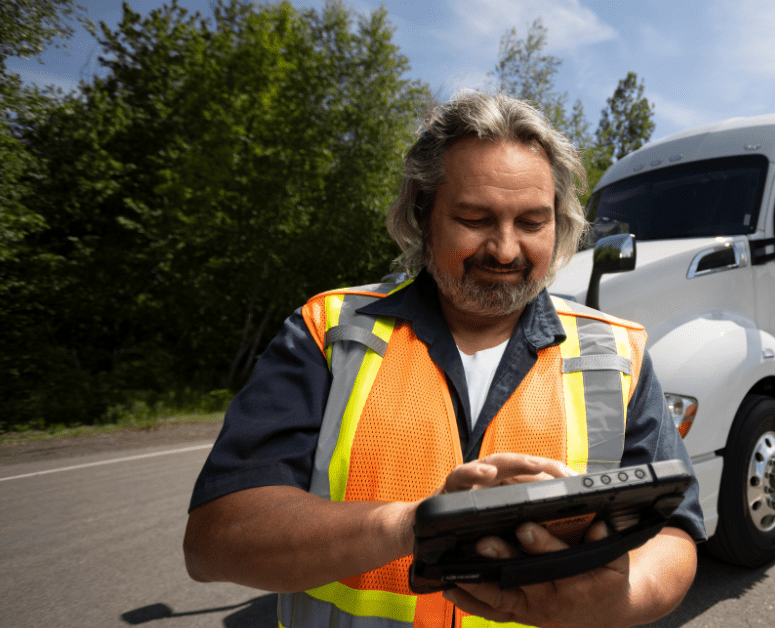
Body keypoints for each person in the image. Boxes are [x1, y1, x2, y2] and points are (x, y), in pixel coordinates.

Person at [183, 90, 705, 628]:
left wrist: (619, 599)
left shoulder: (616, 353)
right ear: (421, 213)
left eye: (531, 222)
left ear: (560, 222)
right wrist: (417, 525)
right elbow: (216, 540)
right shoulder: (329, 333)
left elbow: (676, 532)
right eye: (475, 218)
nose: (504, 250)